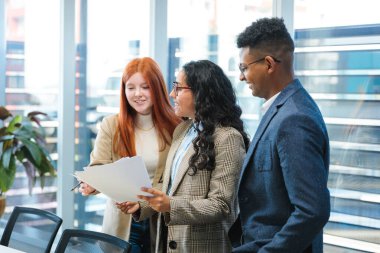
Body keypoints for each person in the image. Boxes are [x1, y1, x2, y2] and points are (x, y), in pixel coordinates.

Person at [118, 59, 250, 253]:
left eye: (178, 88)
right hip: (167, 243)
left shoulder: (227, 137)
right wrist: (140, 205)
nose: (172, 94)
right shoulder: (182, 130)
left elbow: (221, 205)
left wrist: (170, 205)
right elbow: (169, 188)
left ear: (201, 93)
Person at [228, 17, 330, 253]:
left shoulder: (294, 119)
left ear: (269, 64)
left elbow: (312, 211)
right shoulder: (282, 109)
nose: (242, 77)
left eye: (244, 68)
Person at [78, 57, 181, 253]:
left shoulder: (176, 126)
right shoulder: (112, 124)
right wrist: (93, 182)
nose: (137, 94)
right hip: (123, 222)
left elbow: (176, 179)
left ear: (157, 88)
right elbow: (98, 166)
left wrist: (144, 202)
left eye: (145, 87)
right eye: (130, 87)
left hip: (161, 220)